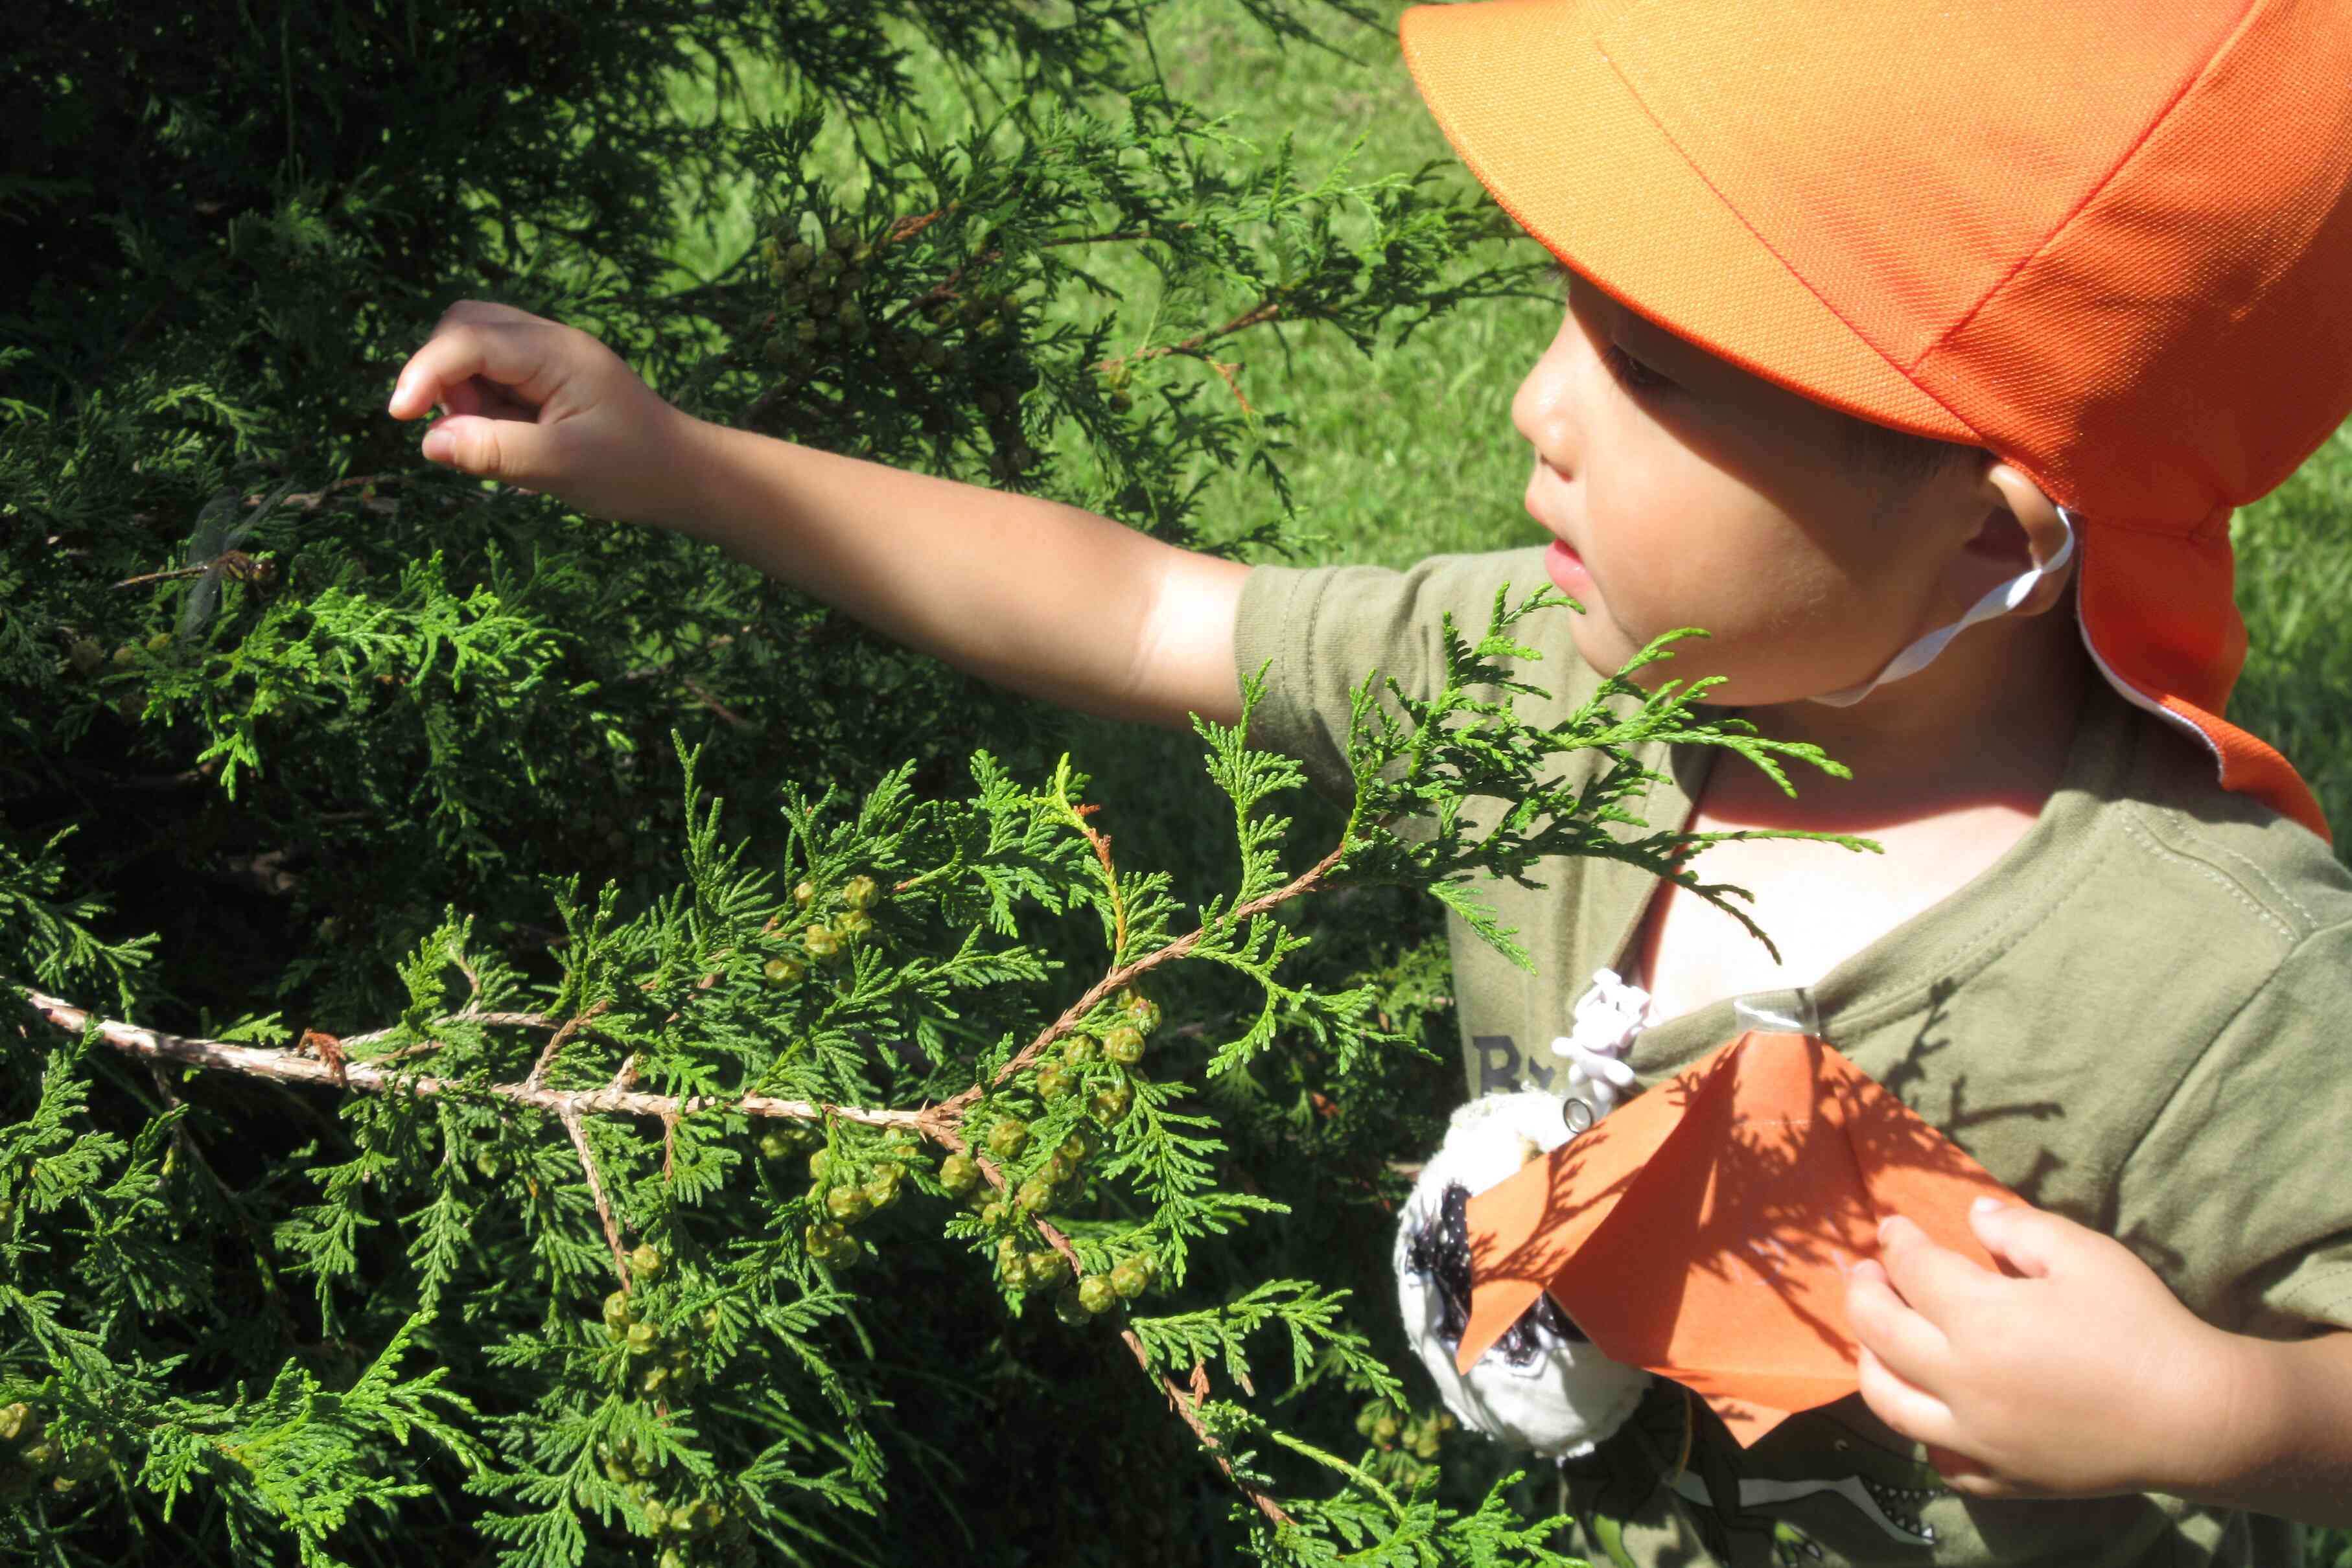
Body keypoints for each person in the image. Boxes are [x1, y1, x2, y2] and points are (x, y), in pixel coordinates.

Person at [385, 0, 2352, 1559]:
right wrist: (687, 460)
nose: (1540, 402)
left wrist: (2223, 1413)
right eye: (1574, 310)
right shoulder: (1535, 686)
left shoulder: (2204, 975)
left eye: (1657, 369)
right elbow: (1155, 614)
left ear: (1992, 543)